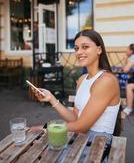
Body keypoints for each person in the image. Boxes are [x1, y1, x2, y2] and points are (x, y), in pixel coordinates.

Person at [31, 30, 120, 161]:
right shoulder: (82, 79)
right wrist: (51, 99)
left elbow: (81, 126)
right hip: (80, 138)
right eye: (76, 48)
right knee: (33, 150)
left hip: (96, 144)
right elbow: (75, 119)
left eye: (85, 47)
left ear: (99, 50)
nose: (79, 52)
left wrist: (44, 128)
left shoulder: (106, 81)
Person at [122, 43, 134, 115]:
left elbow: (125, 69)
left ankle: (129, 108)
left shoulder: (132, 57)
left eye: (127, 49)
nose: (126, 51)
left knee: (129, 86)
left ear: (131, 51)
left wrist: (125, 59)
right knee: (130, 81)